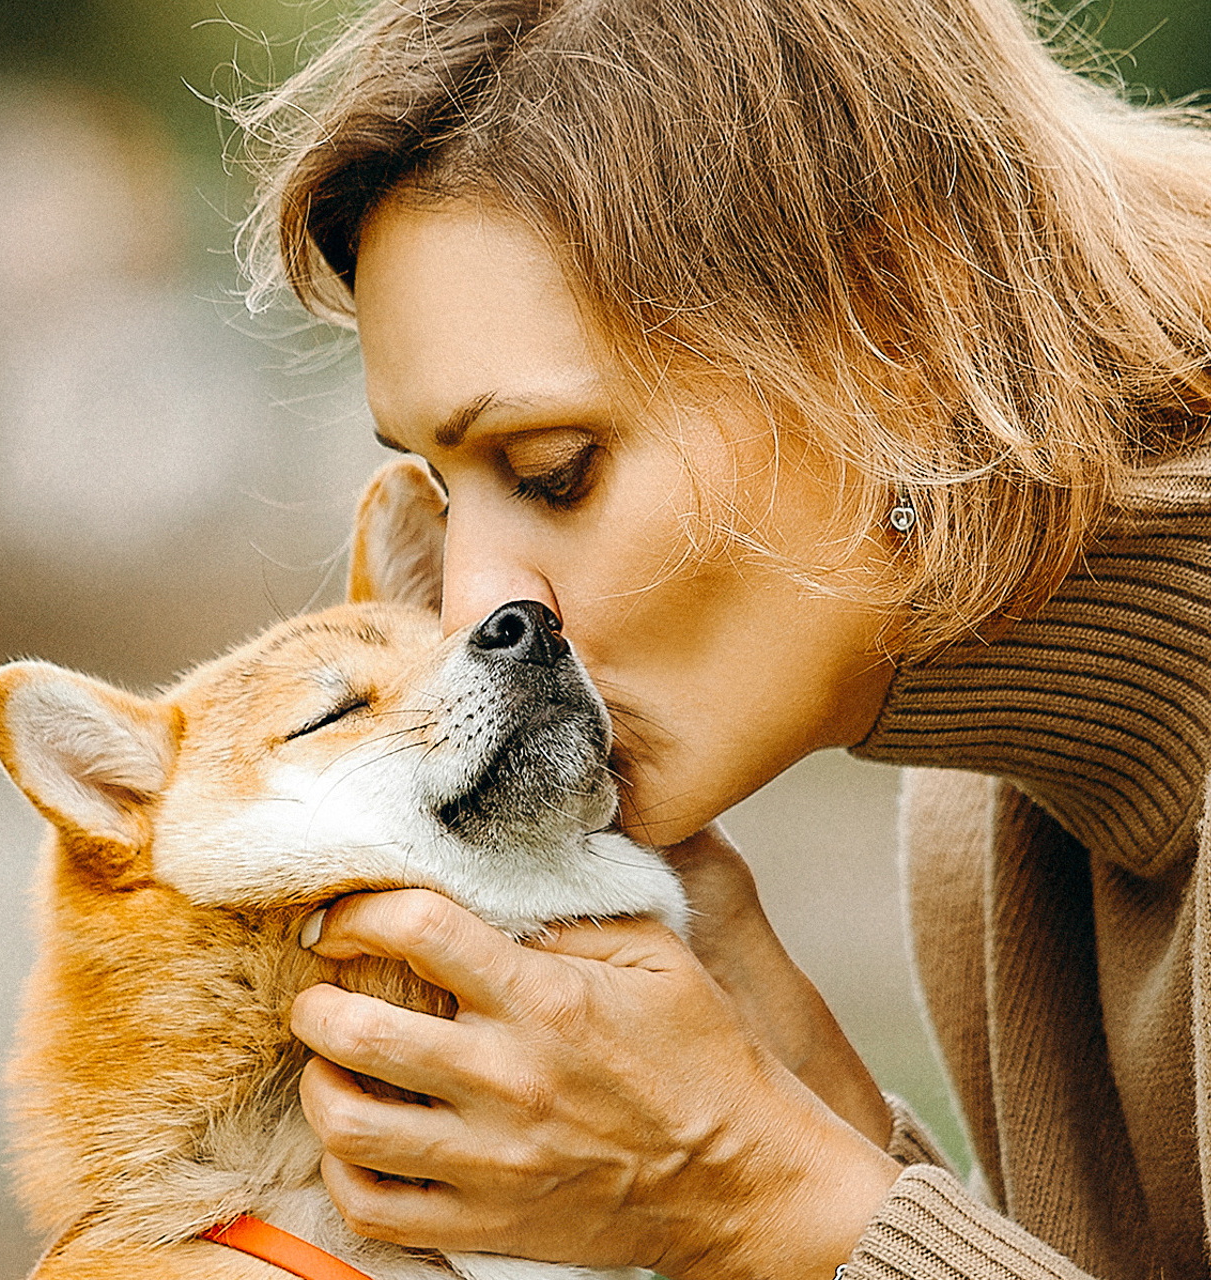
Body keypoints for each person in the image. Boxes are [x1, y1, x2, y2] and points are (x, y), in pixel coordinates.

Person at [233, 0, 1211, 1275]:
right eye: (437, 481)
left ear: (898, 329)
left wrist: (745, 1182)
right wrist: (801, 1101)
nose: (469, 606)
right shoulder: (985, 817)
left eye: (552, 468)